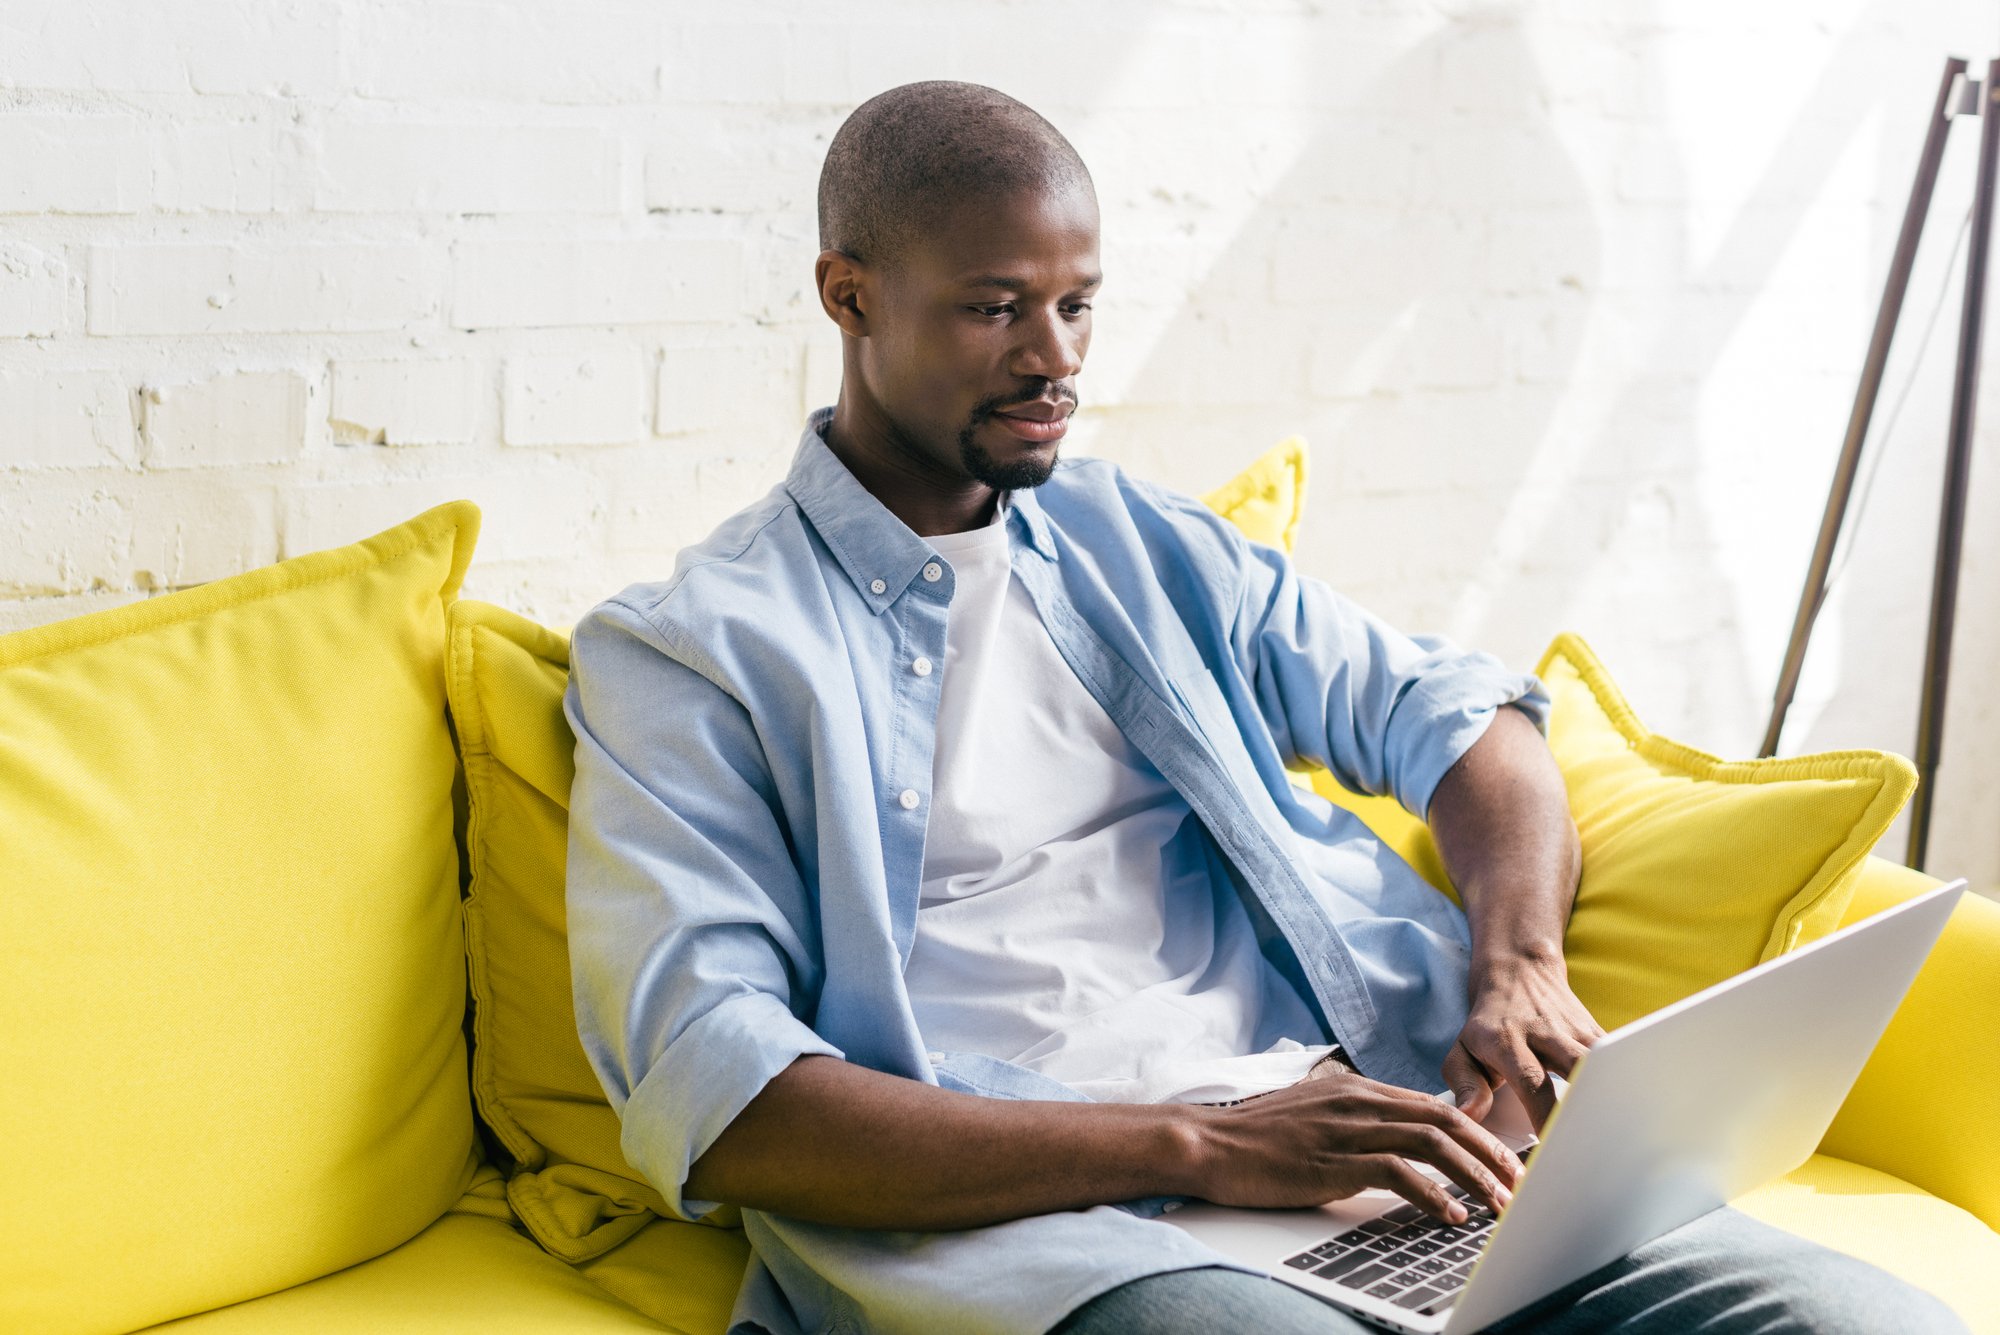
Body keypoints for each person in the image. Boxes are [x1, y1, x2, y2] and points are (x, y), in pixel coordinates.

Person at [562, 81, 1966, 1335]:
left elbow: (1467, 721)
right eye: (996, 307)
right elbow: (727, 1104)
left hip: (1387, 1150)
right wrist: (1206, 1143)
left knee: (1863, 1319)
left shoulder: (1143, 543)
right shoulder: (693, 653)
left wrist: (1517, 965)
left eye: (1077, 302)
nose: (1054, 357)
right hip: (1066, 1232)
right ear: (848, 294)